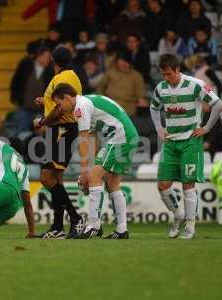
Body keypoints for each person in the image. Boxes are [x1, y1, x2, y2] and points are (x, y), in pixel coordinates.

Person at [51, 83, 139, 239]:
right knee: (112, 184)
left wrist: (86, 172)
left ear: (67, 98)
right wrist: (90, 168)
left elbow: (84, 139)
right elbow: (91, 138)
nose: (59, 108)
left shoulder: (80, 107)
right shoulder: (87, 102)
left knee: (93, 177)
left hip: (120, 137)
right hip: (125, 135)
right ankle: (121, 229)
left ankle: (93, 226)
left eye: (59, 104)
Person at [150, 54, 222, 239]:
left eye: (169, 74)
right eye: (163, 75)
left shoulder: (195, 84)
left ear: (177, 70)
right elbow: (153, 107)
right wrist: (159, 128)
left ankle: (190, 225)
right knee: (163, 185)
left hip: (190, 141)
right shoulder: (161, 88)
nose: (166, 78)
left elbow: (217, 103)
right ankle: (178, 215)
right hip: (170, 142)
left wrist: (205, 128)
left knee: (187, 184)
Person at [33, 46, 84, 239]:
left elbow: (60, 109)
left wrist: (43, 121)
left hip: (61, 130)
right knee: (57, 180)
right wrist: (44, 103)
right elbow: (60, 103)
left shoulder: (59, 78)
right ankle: (57, 226)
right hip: (65, 129)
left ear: (54, 61)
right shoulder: (74, 76)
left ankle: (76, 218)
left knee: (47, 178)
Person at [10, 46, 53, 133]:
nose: (48, 59)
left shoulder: (50, 70)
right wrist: (16, 98)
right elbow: (16, 81)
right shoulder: (26, 65)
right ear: (39, 56)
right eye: (46, 57)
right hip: (24, 107)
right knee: (22, 131)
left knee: (40, 132)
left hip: (41, 109)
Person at [97, 50, 146, 114]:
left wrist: (142, 103)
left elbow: (140, 97)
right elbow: (100, 88)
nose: (123, 63)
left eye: (125, 61)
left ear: (130, 62)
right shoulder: (110, 73)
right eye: (121, 61)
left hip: (129, 110)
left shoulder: (136, 76)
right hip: (110, 107)